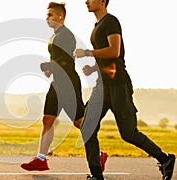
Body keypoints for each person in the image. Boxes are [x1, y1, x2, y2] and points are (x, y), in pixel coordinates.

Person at [74, 0, 175, 179]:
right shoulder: (97, 26)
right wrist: (94, 68)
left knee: (128, 133)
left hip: (118, 86)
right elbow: (107, 59)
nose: (86, 1)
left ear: (103, 1)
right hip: (102, 85)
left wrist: (88, 53)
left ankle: (165, 159)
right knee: (87, 128)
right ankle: (96, 175)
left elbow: (114, 51)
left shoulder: (111, 21)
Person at [20, 2, 107, 172]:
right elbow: (58, 59)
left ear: (60, 16)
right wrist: (50, 69)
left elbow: (67, 60)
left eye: (51, 15)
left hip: (68, 84)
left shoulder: (66, 35)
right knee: (47, 120)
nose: (47, 18)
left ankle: (98, 155)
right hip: (57, 82)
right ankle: (41, 159)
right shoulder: (55, 35)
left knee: (79, 122)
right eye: (47, 15)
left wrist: (49, 66)